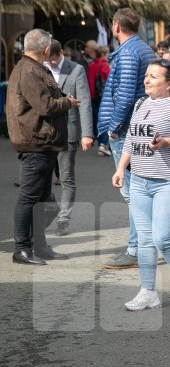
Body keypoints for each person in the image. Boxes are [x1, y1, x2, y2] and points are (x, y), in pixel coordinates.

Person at [111, 59, 170, 311]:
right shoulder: (140, 104)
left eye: (153, 77)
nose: (147, 80)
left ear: (169, 83)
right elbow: (130, 140)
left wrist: (166, 142)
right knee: (145, 241)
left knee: (163, 238)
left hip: (169, 182)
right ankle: (148, 292)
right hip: (138, 181)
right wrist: (120, 168)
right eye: (146, 76)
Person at [8, 29, 80, 265]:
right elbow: (45, 106)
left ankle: (38, 245)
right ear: (46, 49)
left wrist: (63, 99)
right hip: (36, 142)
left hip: (43, 142)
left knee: (43, 200)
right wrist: (67, 102)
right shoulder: (30, 70)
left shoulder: (34, 68)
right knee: (31, 198)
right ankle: (22, 248)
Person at [97, 8, 157, 269]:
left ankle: (136, 249)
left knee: (134, 194)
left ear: (115, 26)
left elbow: (123, 95)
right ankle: (144, 245)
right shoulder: (141, 49)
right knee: (138, 193)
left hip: (127, 129)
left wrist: (113, 126)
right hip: (136, 127)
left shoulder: (130, 52)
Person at [44, 40, 94, 236]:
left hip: (69, 132)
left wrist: (87, 133)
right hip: (45, 132)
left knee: (66, 178)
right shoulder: (41, 69)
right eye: (48, 61)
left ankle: (64, 219)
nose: (51, 65)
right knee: (43, 176)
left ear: (61, 54)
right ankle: (50, 208)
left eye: (54, 61)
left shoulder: (76, 70)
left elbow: (85, 102)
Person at [87, 45, 111, 156]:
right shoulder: (105, 66)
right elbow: (110, 83)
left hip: (93, 96)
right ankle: (103, 144)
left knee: (96, 119)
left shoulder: (91, 65)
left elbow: (89, 81)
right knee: (106, 119)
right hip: (104, 97)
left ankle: (99, 140)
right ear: (103, 54)